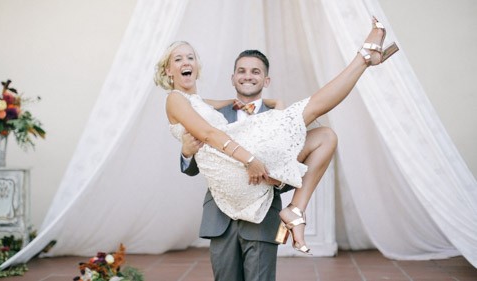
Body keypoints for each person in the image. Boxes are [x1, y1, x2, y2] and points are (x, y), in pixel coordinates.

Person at [155, 16, 398, 280]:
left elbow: (213, 107)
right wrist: (190, 152)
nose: (185, 62)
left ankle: (296, 209)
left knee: (326, 136)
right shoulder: (178, 101)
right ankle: (363, 58)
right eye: (178, 59)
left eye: (190, 57)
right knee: (312, 107)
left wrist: (272, 107)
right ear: (168, 70)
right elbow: (208, 134)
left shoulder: (203, 102)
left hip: (259, 199)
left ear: (266, 80)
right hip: (229, 193)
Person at [179, 48, 338, 281]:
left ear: (266, 80)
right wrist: (186, 152)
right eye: (241, 71)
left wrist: (273, 177)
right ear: (232, 78)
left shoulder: (282, 116)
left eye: (255, 71)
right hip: (219, 218)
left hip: (262, 217)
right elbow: (193, 167)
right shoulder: (210, 115)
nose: (247, 76)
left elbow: (295, 164)